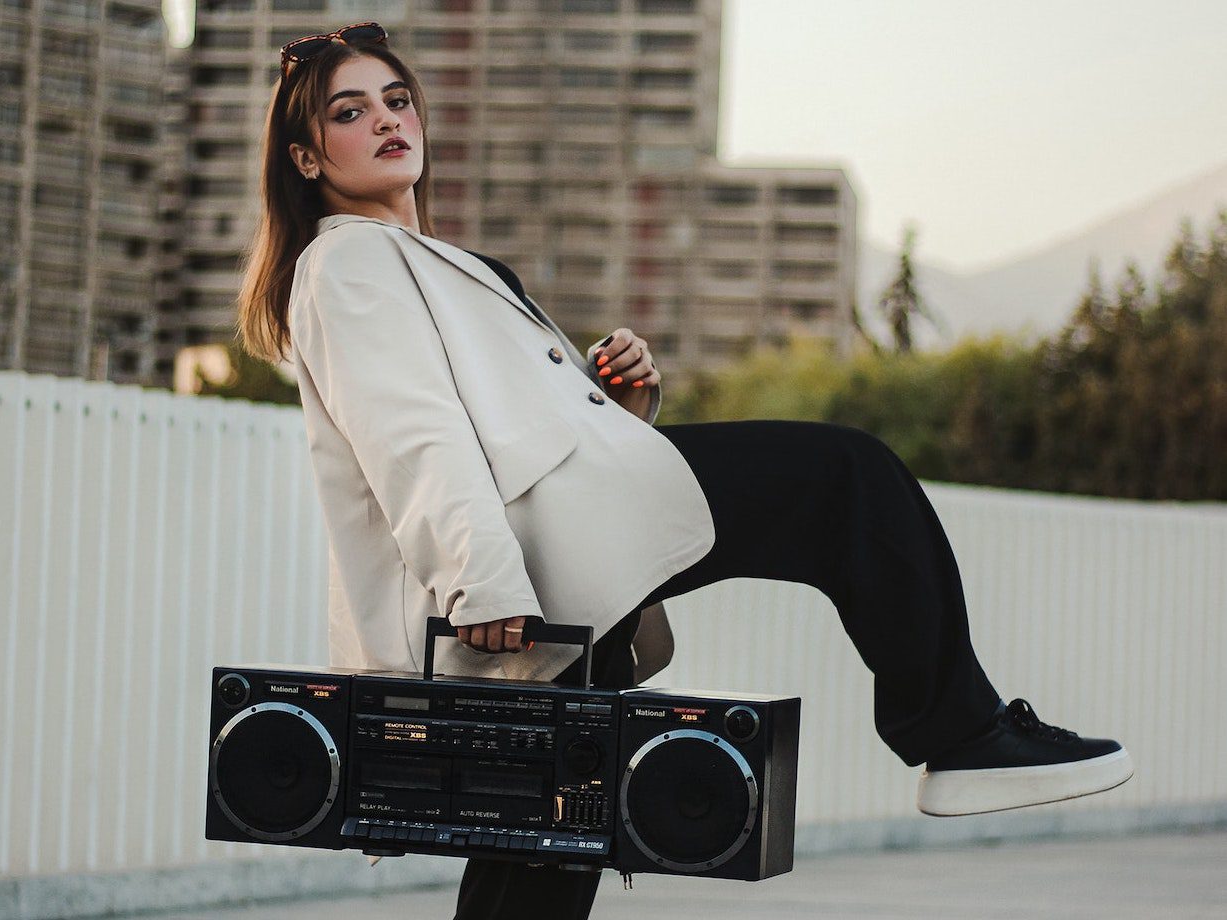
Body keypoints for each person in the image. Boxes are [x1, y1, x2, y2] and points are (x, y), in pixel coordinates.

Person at [235, 22, 1134, 920]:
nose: (388, 120)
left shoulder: (430, 260)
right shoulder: (346, 262)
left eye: (398, 99)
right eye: (350, 113)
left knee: (546, 850)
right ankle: (961, 734)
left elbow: (494, 427)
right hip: (520, 580)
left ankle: (963, 734)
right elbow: (412, 436)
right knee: (845, 478)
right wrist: (479, 582)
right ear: (307, 157)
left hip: (550, 561)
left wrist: (617, 411)